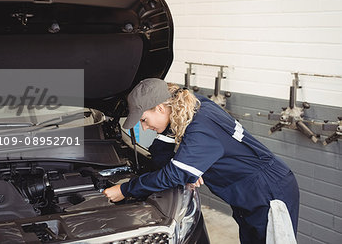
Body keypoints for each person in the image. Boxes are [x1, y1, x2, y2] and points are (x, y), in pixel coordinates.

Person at [103, 78, 299, 244]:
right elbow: (162, 156)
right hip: (248, 193)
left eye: (144, 120)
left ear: (161, 108)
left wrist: (125, 189)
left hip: (268, 193)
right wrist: (188, 167)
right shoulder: (188, 108)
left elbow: (173, 174)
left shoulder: (201, 125)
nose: (144, 128)